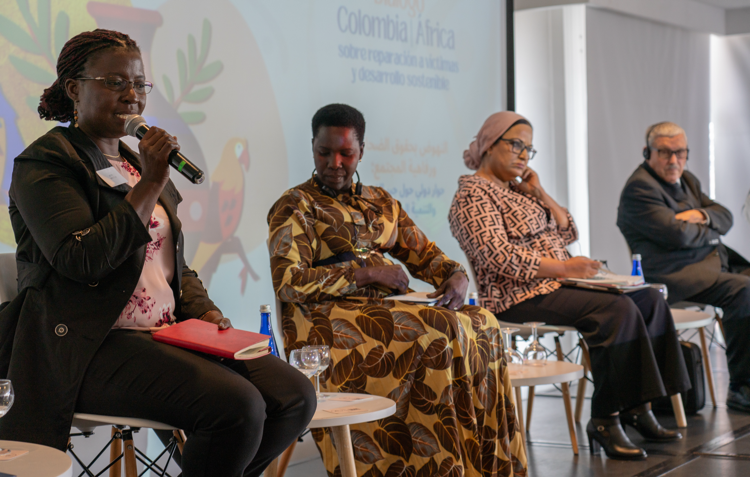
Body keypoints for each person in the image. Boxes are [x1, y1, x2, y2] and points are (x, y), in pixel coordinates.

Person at [0, 29, 315, 477]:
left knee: (293, 396)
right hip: (89, 343)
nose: (131, 95)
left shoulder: (136, 162)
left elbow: (170, 263)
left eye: (139, 84)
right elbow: (80, 259)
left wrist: (204, 311)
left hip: (167, 334)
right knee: (237, 407)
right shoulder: (47, 162)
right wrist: (149, 183)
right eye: (115, 82)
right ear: (74, 89)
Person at [267, 104, 526, 477]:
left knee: (483, 321)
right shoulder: (295, 206)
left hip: (384, 317)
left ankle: (483, 468)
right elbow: (289, 283)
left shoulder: (380, 201)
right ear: (312, 147)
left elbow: (423, 253)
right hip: (324, 328)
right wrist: (366, 274)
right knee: (438, 330)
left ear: (362, 151)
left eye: (346, 153)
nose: (334, 162)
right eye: (324, 152)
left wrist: (455, 274)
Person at [448, 111, 690, 461]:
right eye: (515, 144)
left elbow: (568, 230)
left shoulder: (521, 190)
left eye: (528, 149)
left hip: (558, 285)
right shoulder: (472, 194)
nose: (522, 154)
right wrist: (563, 267)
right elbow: (495, 257)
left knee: (649, 298)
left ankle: (640, 406)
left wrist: (539, 190)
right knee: (616, 310)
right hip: (515, 296)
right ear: (488, 144)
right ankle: (606, 419)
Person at [618, 121, 750, 413]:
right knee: (744, 291)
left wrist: (700, 215)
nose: (674, 160)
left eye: (680, 152)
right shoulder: (640, 188)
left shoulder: (687, 179)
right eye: (664, 152)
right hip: (675, 276)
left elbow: (725, 215)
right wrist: (710, 228)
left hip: (710, 264)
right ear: (647, 152)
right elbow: (677, 233)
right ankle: (742, 388)